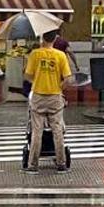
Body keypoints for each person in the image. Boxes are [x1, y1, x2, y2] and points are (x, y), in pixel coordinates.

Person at [23, 29, 73, 173]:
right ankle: (61, 163)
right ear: (55, 39)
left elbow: (27, 76)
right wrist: (59, 86)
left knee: (37, 130)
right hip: (55, 97)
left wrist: (36, 81)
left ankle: (32, 165)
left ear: (42, 38)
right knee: (57, 130)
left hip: (38, 96)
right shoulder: (60, 55)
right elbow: (68, 79)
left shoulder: (35, 54)